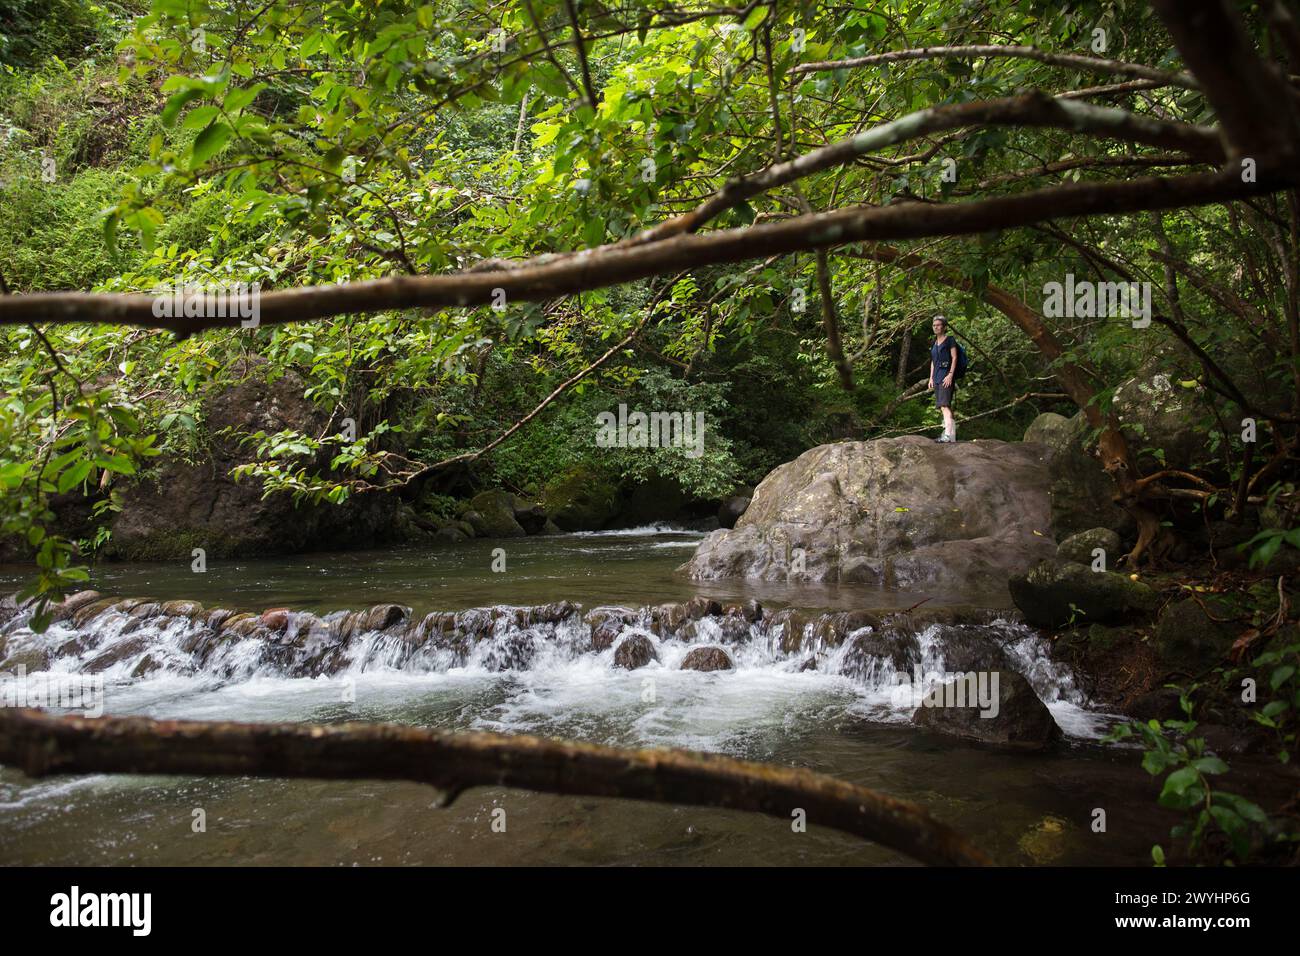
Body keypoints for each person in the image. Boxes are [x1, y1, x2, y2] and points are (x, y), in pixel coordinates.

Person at [927, 316, 959, 443]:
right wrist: (931, 378)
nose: (936, 327)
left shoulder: (950, 340)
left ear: (944, 327)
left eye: (938, 325)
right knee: (942, 406)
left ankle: (948, 435)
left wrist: (950, 374)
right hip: (937, 378)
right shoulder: (934, 343)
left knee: (945, 405)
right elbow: (933, 362)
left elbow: (954, 358)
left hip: (946, 376)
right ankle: (949, 434)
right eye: (934, 325)